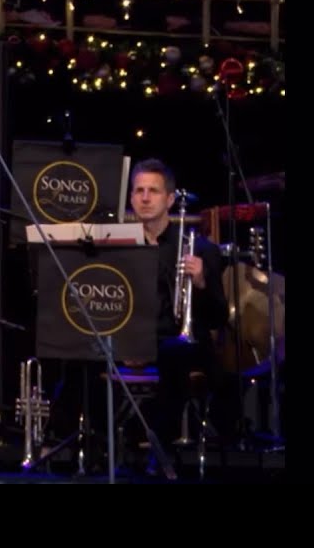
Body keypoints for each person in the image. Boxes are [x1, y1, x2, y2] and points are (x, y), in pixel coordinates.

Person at [127, 159, 228, 462]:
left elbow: (217, 317)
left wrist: (200, 282)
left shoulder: (200, 248)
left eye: (153, 191)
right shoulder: (119, 247)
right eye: (139, 191)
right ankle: (91, 443)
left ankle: (159, 445)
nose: (145, 198)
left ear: (170, 199)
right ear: (131, 197)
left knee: (174, 354)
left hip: (180, 344)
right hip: (133, 339)